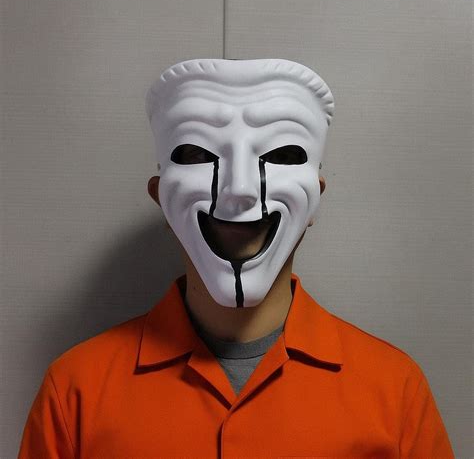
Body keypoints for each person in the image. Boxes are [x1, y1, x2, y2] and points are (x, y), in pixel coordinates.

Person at [18, 58, 454, 458]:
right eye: (199, 154)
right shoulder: (76, 392)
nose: (239, 189)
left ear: (315, 199)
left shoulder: (394, 390)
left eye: (281, 155)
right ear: (162, 199)